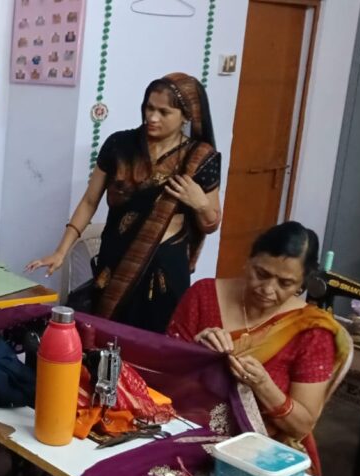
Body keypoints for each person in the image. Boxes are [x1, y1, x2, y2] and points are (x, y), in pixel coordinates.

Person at [168, 221, 352, 476]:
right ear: (247, 261)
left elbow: (301, 423)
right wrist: (193, 352)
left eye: (285, 283)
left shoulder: (311, 330)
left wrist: (263, 385)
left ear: (304, 282)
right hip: (188, 427)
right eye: (261, 273)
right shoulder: (203, 296)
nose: (268, 290)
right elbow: (163, 375)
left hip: (266, 447)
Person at [26, 72, 223, 332]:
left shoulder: (199, 158)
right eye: (149, 108)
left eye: (164, 112)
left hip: (166, 272)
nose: (152, 117)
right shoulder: (120, 145)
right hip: (114, 262)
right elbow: (89, 201)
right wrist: (61, 251)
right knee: (104, 340)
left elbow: (211, 223)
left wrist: (199, 203)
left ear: (187, 116)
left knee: (153, 346)